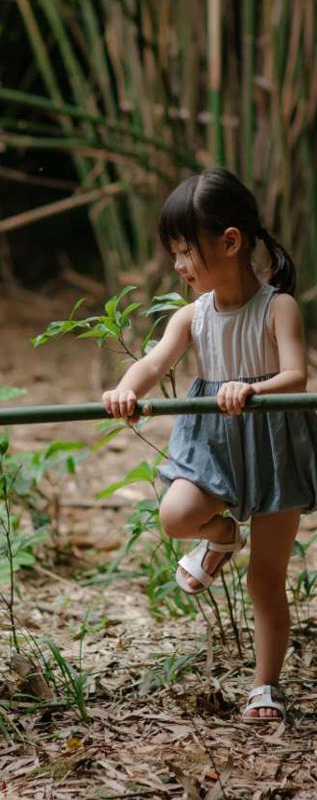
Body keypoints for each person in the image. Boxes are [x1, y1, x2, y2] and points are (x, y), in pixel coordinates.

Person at [102, 167, 317, 723]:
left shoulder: (279, 308)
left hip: (274, 447)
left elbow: (296, 376)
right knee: (176, 515)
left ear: (229, 241)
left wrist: (253, 388)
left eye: (184, 251)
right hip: (214, 443)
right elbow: (153, 363)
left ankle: (264, 686)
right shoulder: (191, 317)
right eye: (173, 253)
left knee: (266, 579)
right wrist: (126, 391)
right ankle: (220, 537)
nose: (178, 266)